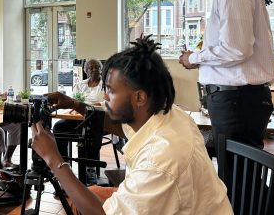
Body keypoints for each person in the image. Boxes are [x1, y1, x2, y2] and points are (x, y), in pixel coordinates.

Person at [31, 35, 233, 214]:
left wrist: (53, 159)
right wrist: (73, 103)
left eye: (110, 90)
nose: (105, 96)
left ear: (139, 97)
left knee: (83, 200)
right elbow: (118, 126)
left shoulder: (160, 161)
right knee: (89, 194)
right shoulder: (168, 115)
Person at [179, 0, 274, 150]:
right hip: (239, 100)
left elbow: (236, 48)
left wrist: (194, 57)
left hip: (236, 101)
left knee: (235, 176)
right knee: (240, 175)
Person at [53, 58, 105, 158]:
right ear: (86, 71)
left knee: (85, 132)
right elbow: (73, 100)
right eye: (91, 68)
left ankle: (89, 165)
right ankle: (64, 159)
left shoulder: (105, 85)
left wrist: (95, 105)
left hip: (96, 119)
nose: (94, 69)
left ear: (101, 69)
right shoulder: (80, 85)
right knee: (58, 127)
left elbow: (107, 102)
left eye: (96, 67)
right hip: (78, 117)